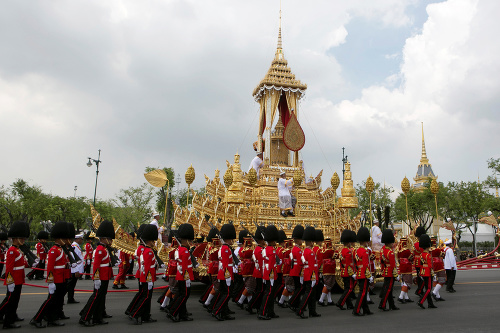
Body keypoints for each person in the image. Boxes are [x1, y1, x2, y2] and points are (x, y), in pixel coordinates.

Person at [30, 221, 69, 328]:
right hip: (55, 278)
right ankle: (36, 318)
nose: (65, 240)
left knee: (55, 301)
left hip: (61, 278)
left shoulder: (60, 249)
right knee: (50, 300)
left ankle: (52, 319)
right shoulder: (53, 250)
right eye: (63, 238)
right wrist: (50, 281)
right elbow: (50, 267)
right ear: (58, 239)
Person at [79, 220, 115, 326]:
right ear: (104, 238)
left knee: (100, 297)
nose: (110, 241)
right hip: (101, 277)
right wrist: (96, 278)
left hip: (105, 276)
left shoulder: (104, 248)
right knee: (96, 297)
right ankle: (85, 317)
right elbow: (96, 265)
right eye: (109, 239)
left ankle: (97, 317)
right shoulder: (100, 249)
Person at [0, 221, 29, 329]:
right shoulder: (12, 250)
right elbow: (9, 268)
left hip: (19, 278)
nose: (23, 240)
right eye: (21, 238)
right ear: (15, 239)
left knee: (14, 301)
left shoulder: (18, 250)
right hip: (14, 280)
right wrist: (10, 281)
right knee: (10, 301)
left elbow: (22, 264)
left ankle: (12, 317)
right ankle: (8, 322)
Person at [128, 224, 158, 325]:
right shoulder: (148, 251)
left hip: (145, 277)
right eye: (153, 241)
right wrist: (149, 280)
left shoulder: (146, 250)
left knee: (147, 297)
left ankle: (145, 315)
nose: (154, 242)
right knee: (145, 297)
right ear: (149, 241)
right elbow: (148, 267)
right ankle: (135, 313)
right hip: (147, 278)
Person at [166, 224, 195, 322]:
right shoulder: (185, 251)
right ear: (186, 240)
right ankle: (172, 311)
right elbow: (184, 266)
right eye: (190, 241)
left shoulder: (181, 249)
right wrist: (187, 278)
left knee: (182, 295)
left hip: (182, 275)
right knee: (184, 295)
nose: (190, 243)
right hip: (184, 276)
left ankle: (182, 314)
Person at [211, 223, 237, 321]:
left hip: (224, 274)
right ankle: (216, 311)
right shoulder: (226, 249)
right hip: (226, 274)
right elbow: (226, 264)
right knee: (227, 294)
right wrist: (228, 277)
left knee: (224, 293)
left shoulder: (225, 248)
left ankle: (224, 312)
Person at [296, 226, 321, 319]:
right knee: (308, 294)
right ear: (310, 242)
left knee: (312, 295)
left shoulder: (305, 251)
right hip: (311, 275)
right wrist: (314, 277)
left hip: (307, 275)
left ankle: (312, 310)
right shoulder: (309, 252)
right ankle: (300, 309)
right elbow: (311, 267)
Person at [258, 225, 280, 320]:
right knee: (269, 293)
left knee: (270, 293)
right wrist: (271, 276)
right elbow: (271, 264)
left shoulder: (266, 249)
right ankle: (262, 312)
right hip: (270, 273)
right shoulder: (271, 250)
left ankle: (270, 311)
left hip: (267, 273)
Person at [353, 227, 373, 316]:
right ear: (365, 241)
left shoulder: (356, 251)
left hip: (359, 273)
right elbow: (366, 265)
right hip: (364, 274)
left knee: (363, 292)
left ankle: (365, 309)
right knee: (363, 292)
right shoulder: (365, 251)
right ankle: (356, 309)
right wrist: (369, 276)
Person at [246, 226, 266, 314]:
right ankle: (250, 305)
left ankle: (257, 306)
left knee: (259, 291)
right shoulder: (261, 250)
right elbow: (262, 264)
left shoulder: (257, 249)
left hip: (257, 272)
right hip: (260, 273)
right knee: (260, 291)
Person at [378, 229, 399, 311]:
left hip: (386, 271)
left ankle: (392, 305)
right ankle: (382, 304)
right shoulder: (390, 252)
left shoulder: (382, 250)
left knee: (389, 289)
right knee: (388, 289)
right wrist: (396, 275)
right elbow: (393, 265)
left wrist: (383, 270)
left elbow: (382, 262)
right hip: (390, 272)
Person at [336, 230, 356, 310]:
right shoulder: (347, 251)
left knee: (347, 288)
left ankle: (349, 305)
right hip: (348, 272)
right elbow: (348, 264)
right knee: (349, 289)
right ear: (348, 243)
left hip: (344, 271)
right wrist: (352, 273)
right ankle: (340, 302)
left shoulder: (342, 250)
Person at [417, 234, 437, 309]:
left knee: (427, 288)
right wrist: (432, 272)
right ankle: (421, 301)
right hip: (428, 272)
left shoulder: (421, 254)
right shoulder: (428, 255)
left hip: (423, 271)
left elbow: (421, 264)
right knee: (428, 289)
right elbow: (430, 265)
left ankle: (430, 303)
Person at [288, 225, 304, 311]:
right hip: (297, 270)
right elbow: (300, 262)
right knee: (299, 288)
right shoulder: (298, 250)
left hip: (294, 270)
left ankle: (296, 304)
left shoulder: (294, 249)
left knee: (298, 287)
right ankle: (291, 302)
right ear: (298, 240)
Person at [67, 233, 84, 304]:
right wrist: (76, 270)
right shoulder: (74, 247)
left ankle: (71, 298)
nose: (82, 241)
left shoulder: (76, 246)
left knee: (71, 285)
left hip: (76, 269)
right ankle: (69, 298)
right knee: (70, 285)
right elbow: (73, 260)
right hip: (74, 270)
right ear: (77, 239)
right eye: (81, 239)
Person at [396, 237, 414, 303]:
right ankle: (401, 296)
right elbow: (411, 258)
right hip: (407, 267)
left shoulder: (399, 250)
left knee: (404, 281)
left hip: (402, 266)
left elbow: (398, 259)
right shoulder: (407, 250)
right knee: (407, 282)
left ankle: (406, 297)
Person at [431, 237, 446, 301]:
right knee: (442, 279)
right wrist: (440, 248)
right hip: (438, 264)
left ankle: (437, 295)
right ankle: (434, 292)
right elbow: (443, 255)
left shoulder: (428, 250)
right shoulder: (437, 250)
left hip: (432, 264)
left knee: (435, 280)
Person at [413, 226, 427, 296]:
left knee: (419, 276)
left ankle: (420, 289)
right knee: (422, 276)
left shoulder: (415, 244)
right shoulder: (421, 244)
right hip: (421, 261)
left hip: (416, 261)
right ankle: (419, 290)